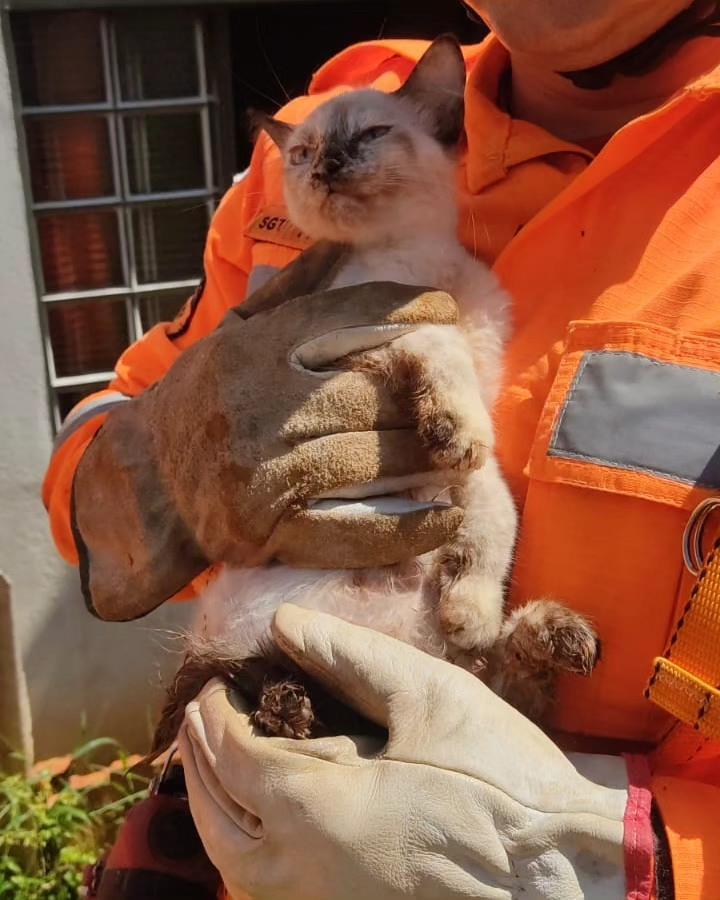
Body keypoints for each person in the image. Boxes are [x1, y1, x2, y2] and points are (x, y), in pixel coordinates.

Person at [43, 0, 720, 896]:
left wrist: (606, 854)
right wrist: (164, 468)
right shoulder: (343, 104)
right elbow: (104, 435)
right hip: (252, 814)